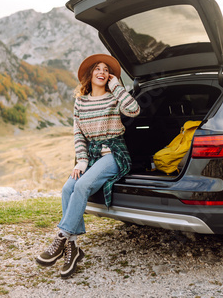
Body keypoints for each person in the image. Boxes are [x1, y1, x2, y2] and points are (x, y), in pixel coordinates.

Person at [36, 54, 140, 278]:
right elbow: (78, 134)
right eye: (97, 69)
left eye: (106, 70)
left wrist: (117, 87)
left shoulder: (115, 98)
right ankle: (72, 248)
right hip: (91, 156)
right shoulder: (80, 102)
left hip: (114, 153)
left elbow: (134, 110)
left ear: (110, 76)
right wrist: (82, 160)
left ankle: (62, 237)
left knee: (81, 186)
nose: (102, 72)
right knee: (67, 188)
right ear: (90, 75)